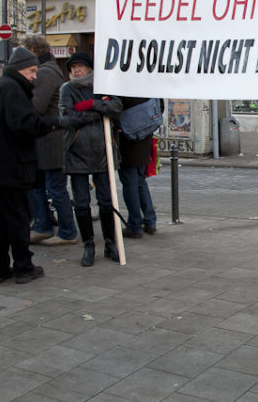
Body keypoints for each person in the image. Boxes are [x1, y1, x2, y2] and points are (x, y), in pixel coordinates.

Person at [0, 46, 81, 284]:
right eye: (31, 71)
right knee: (17, 219)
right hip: (10, 166)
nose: (34, 76)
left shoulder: (0, 86)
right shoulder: (12, 88)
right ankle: (23, 267)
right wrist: (58, 123)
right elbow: (25, 124)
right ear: (20, 69)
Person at [59, 52, 123, 267]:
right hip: (76, 152)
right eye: (73, 67)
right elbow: (69, 118)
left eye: (80, 66)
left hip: (103, 153)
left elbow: (117, 107)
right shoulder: (67, 89)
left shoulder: (102, 86)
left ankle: (110, 243)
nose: (76, 70)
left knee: (106, 202)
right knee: (81, 203)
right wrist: (99, 109)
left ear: (89, 68)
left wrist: (90, 104)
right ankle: (88, 245)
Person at [20, 34, 77, 246]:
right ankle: (42, 226)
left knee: (54, 188)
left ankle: (66, 231)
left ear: (33, 51)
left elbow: (36, 106)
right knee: (39, 186)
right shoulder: (49, 70)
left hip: (50, 142)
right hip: (46, 141)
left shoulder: (45, 73)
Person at [117, 96, 160, 237]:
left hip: (127, 139)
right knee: (140, 181)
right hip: (144, 136)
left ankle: (135, 224)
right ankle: (150, 220)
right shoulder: (147, 88)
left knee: (130, 183)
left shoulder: (123, 90)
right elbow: (159, 107)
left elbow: (115, 108)